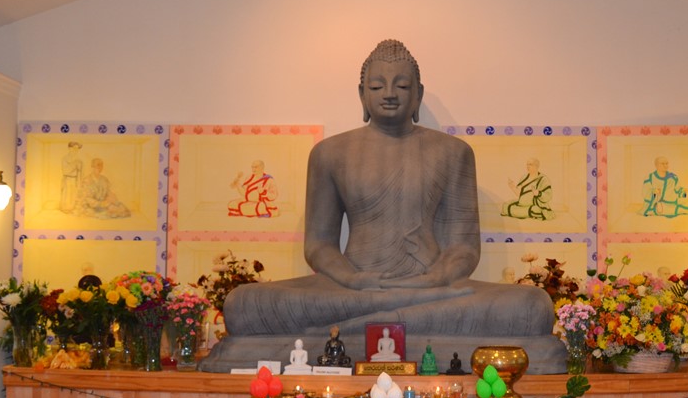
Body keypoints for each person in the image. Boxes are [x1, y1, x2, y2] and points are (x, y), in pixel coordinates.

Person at [202, 40, 565, 374]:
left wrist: (436, 277)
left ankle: (364, 324)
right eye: (377, 87)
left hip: (430, 289)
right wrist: (353, 279)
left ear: (418, 94)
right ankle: (387, 317)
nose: (389, 94)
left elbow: (463, 247)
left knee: (531, 306)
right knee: (243, 304)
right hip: (350, 288)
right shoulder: (330, 153)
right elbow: (319, 245)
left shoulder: (453, 153)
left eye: (402, 86)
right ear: (362, 94)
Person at [60, 141, 83, 213]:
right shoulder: (65, 159)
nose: (76, 150)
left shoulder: (78, 160)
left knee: (73, 194)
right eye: (74, 148)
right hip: (67, 178)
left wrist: (79, 182)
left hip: (75, 179)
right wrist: (75, 164)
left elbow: (79, 172)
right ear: (70, 148)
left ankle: (72, 208)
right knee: (67, 193)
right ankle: (65, 208)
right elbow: (65, 171)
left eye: (77, 149)